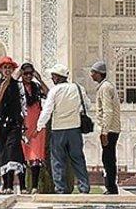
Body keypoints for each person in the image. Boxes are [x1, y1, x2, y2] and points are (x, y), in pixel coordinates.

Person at [37, 63, 91, 194]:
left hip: (58, 130)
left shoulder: (55, 91)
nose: (52, 79)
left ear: (57, 77)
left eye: (53, 76)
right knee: (77, 158)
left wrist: (39, 126)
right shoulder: (78, 88)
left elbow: (47, 111)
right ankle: (84, 187)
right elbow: (87, 105)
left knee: (57, 160)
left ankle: (61, 189)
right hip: (74, 129)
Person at [0, 57, 28, 194]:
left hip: (15, 122)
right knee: (4, 152)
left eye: (9, 67)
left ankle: (20, 185)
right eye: (5, 67)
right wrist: (3, 87)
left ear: (13, 70)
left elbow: (23, 104)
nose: (7, 70)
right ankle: (7, 185)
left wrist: (24, 122)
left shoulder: (18, 85)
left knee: (13, 150)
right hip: (1, 122)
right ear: (1, 69)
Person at [88, 60, 122, 194]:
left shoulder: (105, 88)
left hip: (110, 130)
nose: (91, 75)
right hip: (111, 128)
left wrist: (104, 132)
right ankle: (111, 187)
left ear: (99, 74)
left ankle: (111, 188)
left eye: (93, 72)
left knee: (108, 159)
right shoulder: (105, 86)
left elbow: (108, 110)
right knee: (108, 158)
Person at [18, 63, 49, 193]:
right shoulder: (17, 87)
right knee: (22, 156)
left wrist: (40, 79)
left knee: (36, 156)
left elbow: (48, 94)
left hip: (36, 126)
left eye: (31, 73)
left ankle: (34, 186)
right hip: (22, 125)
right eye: (25, 73)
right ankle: (23, 187)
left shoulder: (36, 87)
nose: (28, 76)